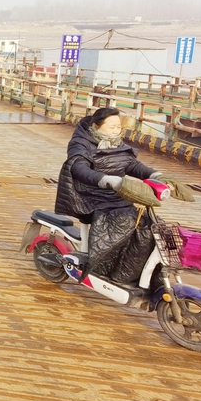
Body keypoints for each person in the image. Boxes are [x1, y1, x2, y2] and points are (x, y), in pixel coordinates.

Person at [54, 107, 159, 285]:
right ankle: (100, 267)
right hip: (89, 196)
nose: (116, 131)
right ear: (96, 126)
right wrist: (105, 179)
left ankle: (125, 270)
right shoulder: (81, 143)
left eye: (119, 127)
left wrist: (155, 175)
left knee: (150, 225)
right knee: (123, 223)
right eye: (112, 127)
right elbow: (79, 168)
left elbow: (131, 165)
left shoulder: (115, 142)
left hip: (116, 195)